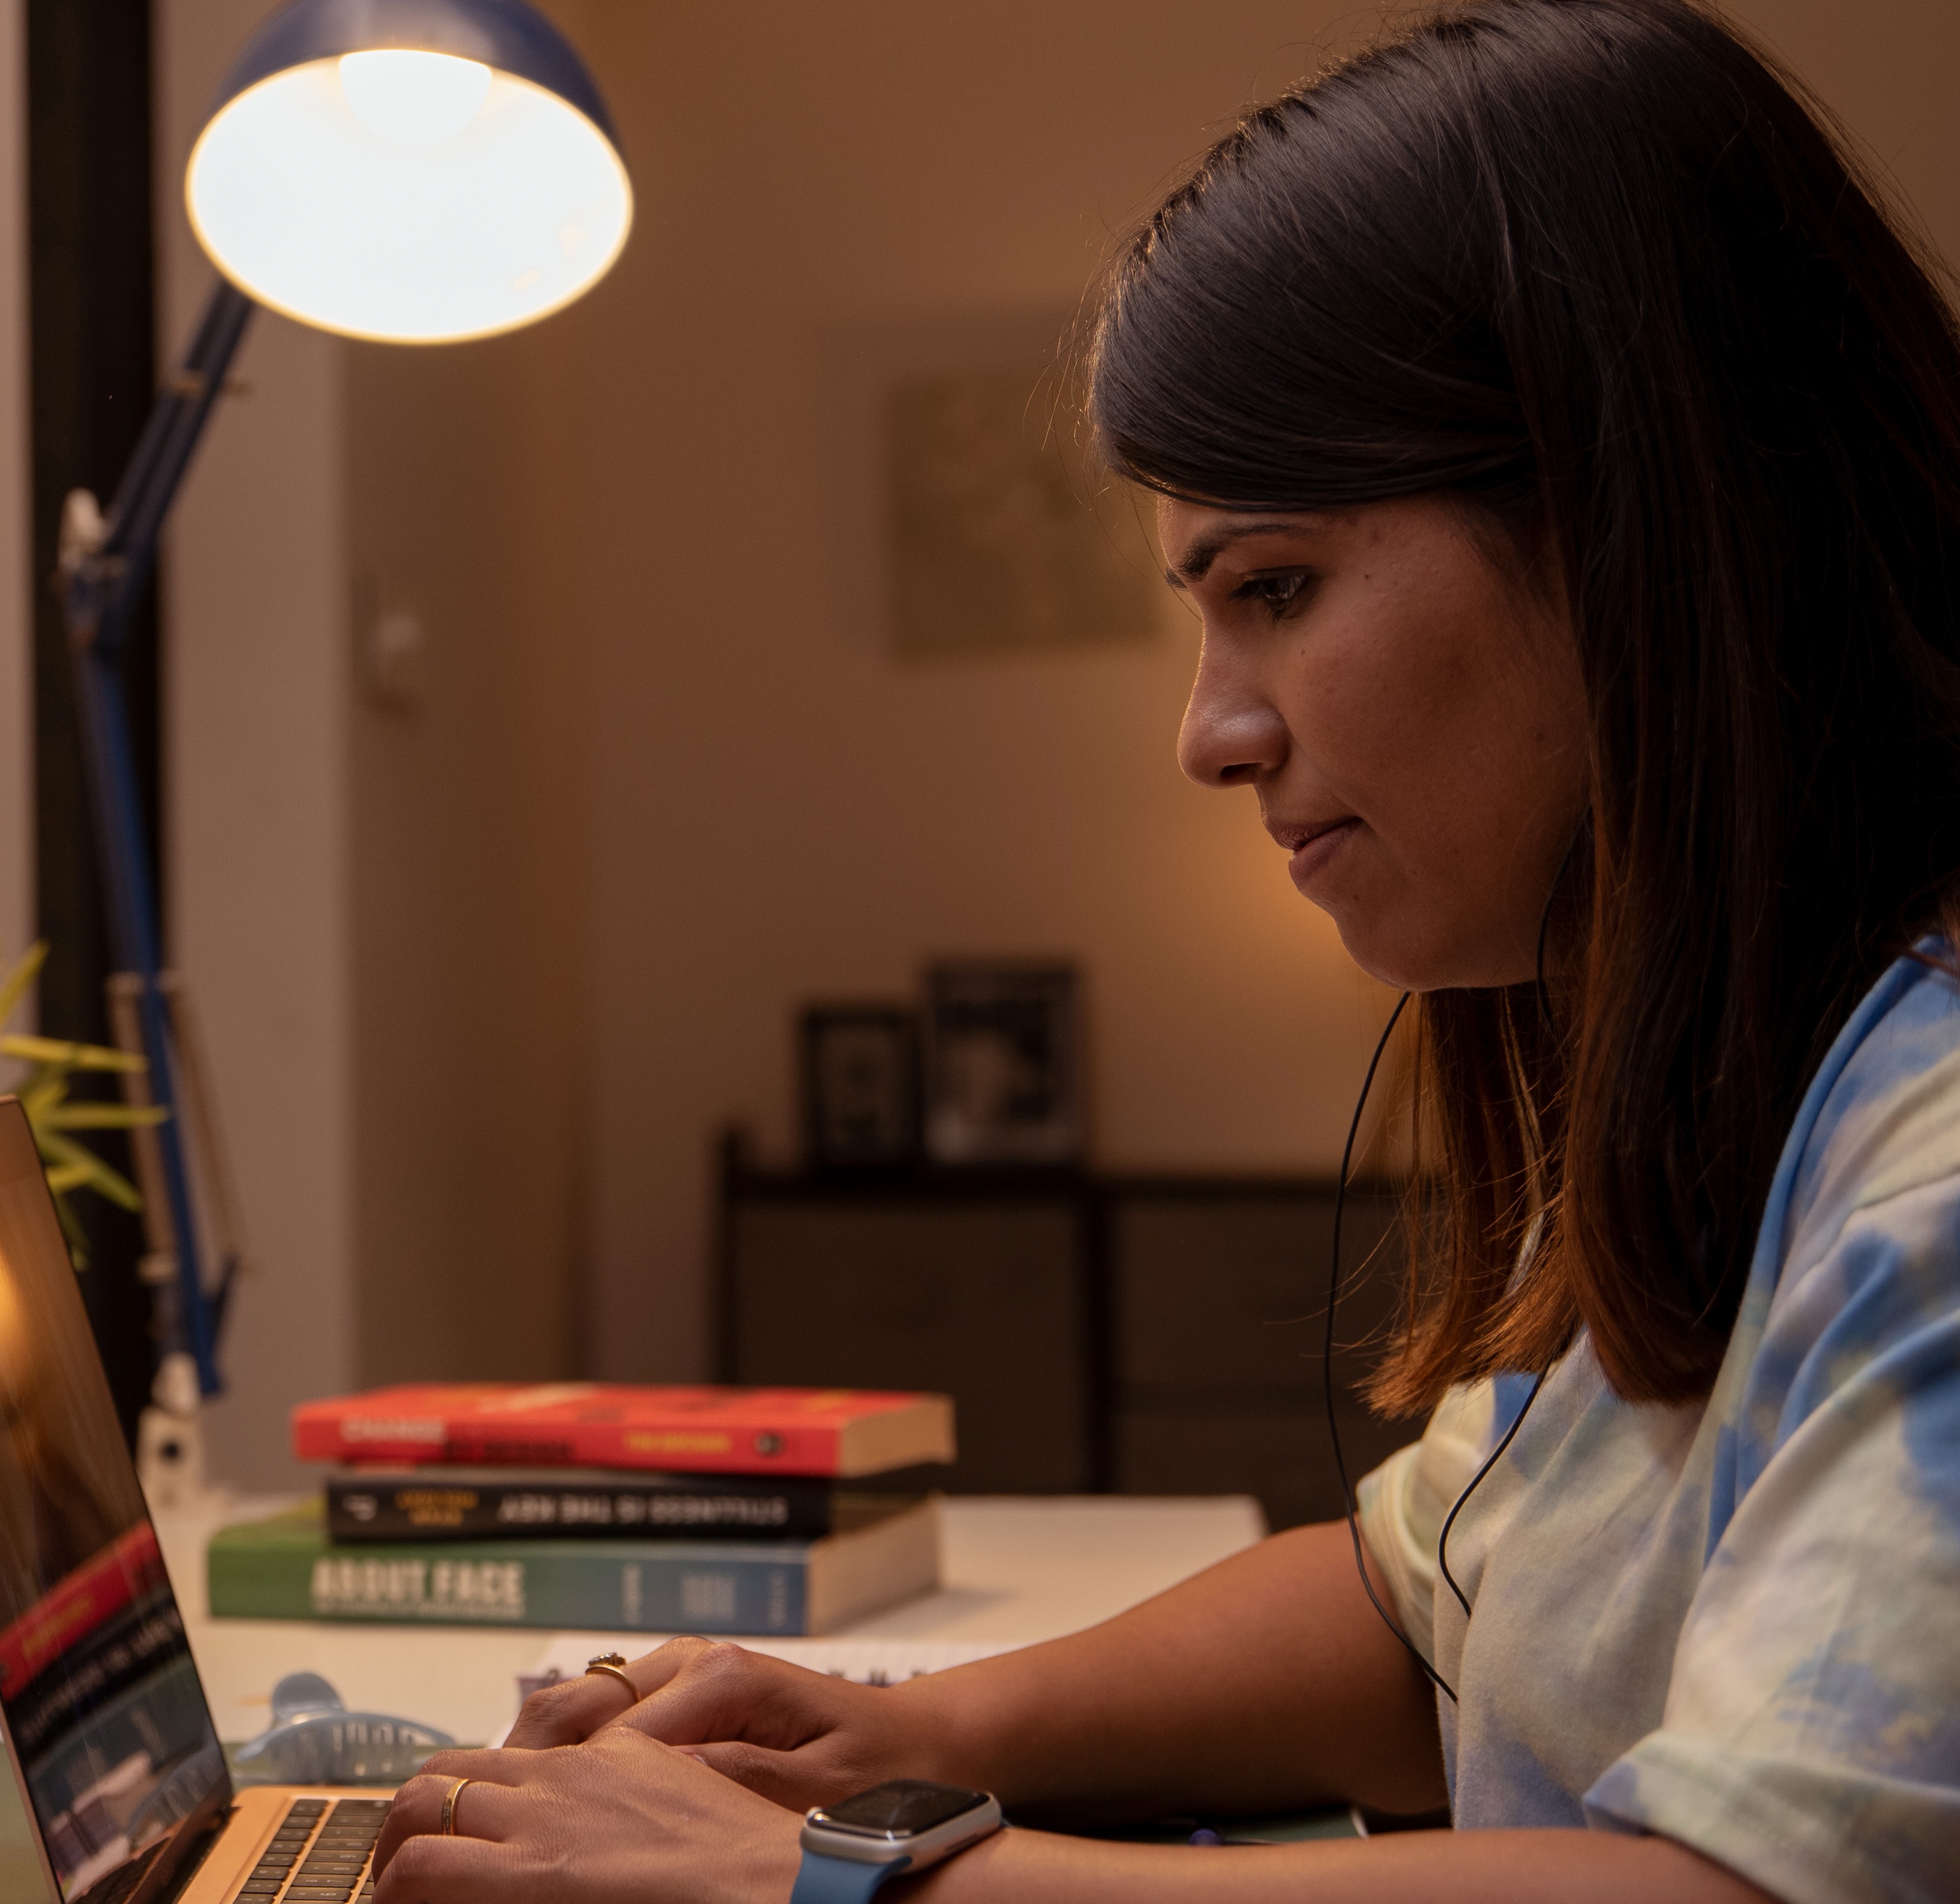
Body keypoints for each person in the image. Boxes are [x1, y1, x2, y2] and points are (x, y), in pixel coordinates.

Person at [368, 3, 1960, 1900]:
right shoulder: (1752, 1077)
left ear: (1636, 514)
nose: (1211, 733)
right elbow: (1428, 1613)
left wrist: (814, 1881)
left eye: (1276, 590)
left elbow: (1746, 1891)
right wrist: (903, 1738)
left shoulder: (1932, 1170)